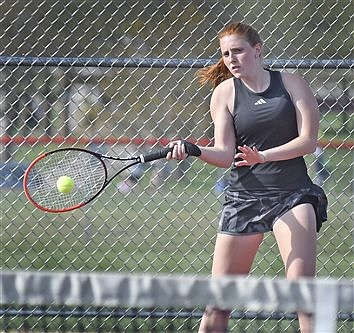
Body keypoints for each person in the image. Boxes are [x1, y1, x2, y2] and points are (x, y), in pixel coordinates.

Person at [167, 22, 327, 333]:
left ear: (257, 49)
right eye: (226, 54)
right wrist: (193, 149)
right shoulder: (224, 93)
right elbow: (226, 154)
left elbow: (308, 141)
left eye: (238, 51)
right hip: (243, 198)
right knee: (217, 305)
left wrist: (264, 156)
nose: (231, 59)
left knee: (303, 296)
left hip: (293, 195)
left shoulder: (292, 84)